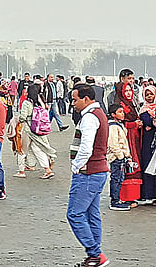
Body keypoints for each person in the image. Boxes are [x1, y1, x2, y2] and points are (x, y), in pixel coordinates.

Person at [68, 84, 110, 267]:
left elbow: (86, 148)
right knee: (92, 214)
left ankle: (95, 254)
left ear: (86, 99)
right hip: (98, 171)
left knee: (75, 214)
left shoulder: (89, 118)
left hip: (88, 172)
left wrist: (76, 166)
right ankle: (95, 255)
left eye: (75, 100)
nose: (73, 104)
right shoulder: (99, 114)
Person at [18, 83, 57, 179]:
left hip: (28, 129)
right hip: (37, 129)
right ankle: (47, 169)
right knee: (38, 150)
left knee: (22, 150)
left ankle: (21, 171)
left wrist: (18, 119)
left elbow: (22, 117)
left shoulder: (27, 103)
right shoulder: (41, 102)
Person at [112, 69, 142, 183]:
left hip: (134, 135)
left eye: (133, 79)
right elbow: (117, 120)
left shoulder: (132, 101)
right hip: (125, 136)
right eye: (129, 79)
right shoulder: (118, 101)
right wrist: (133, 124)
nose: (129, 92)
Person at [107, 104, 131, 211]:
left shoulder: (119, 125)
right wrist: (120, 155)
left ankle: (118, 198)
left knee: (120, 178)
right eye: (120, 112)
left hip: (121, 156)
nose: (123, 114)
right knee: (116, 178)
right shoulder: (113, 127)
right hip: (116, 157)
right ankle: (114, 201)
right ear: (113, 115)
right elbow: (113, 143)